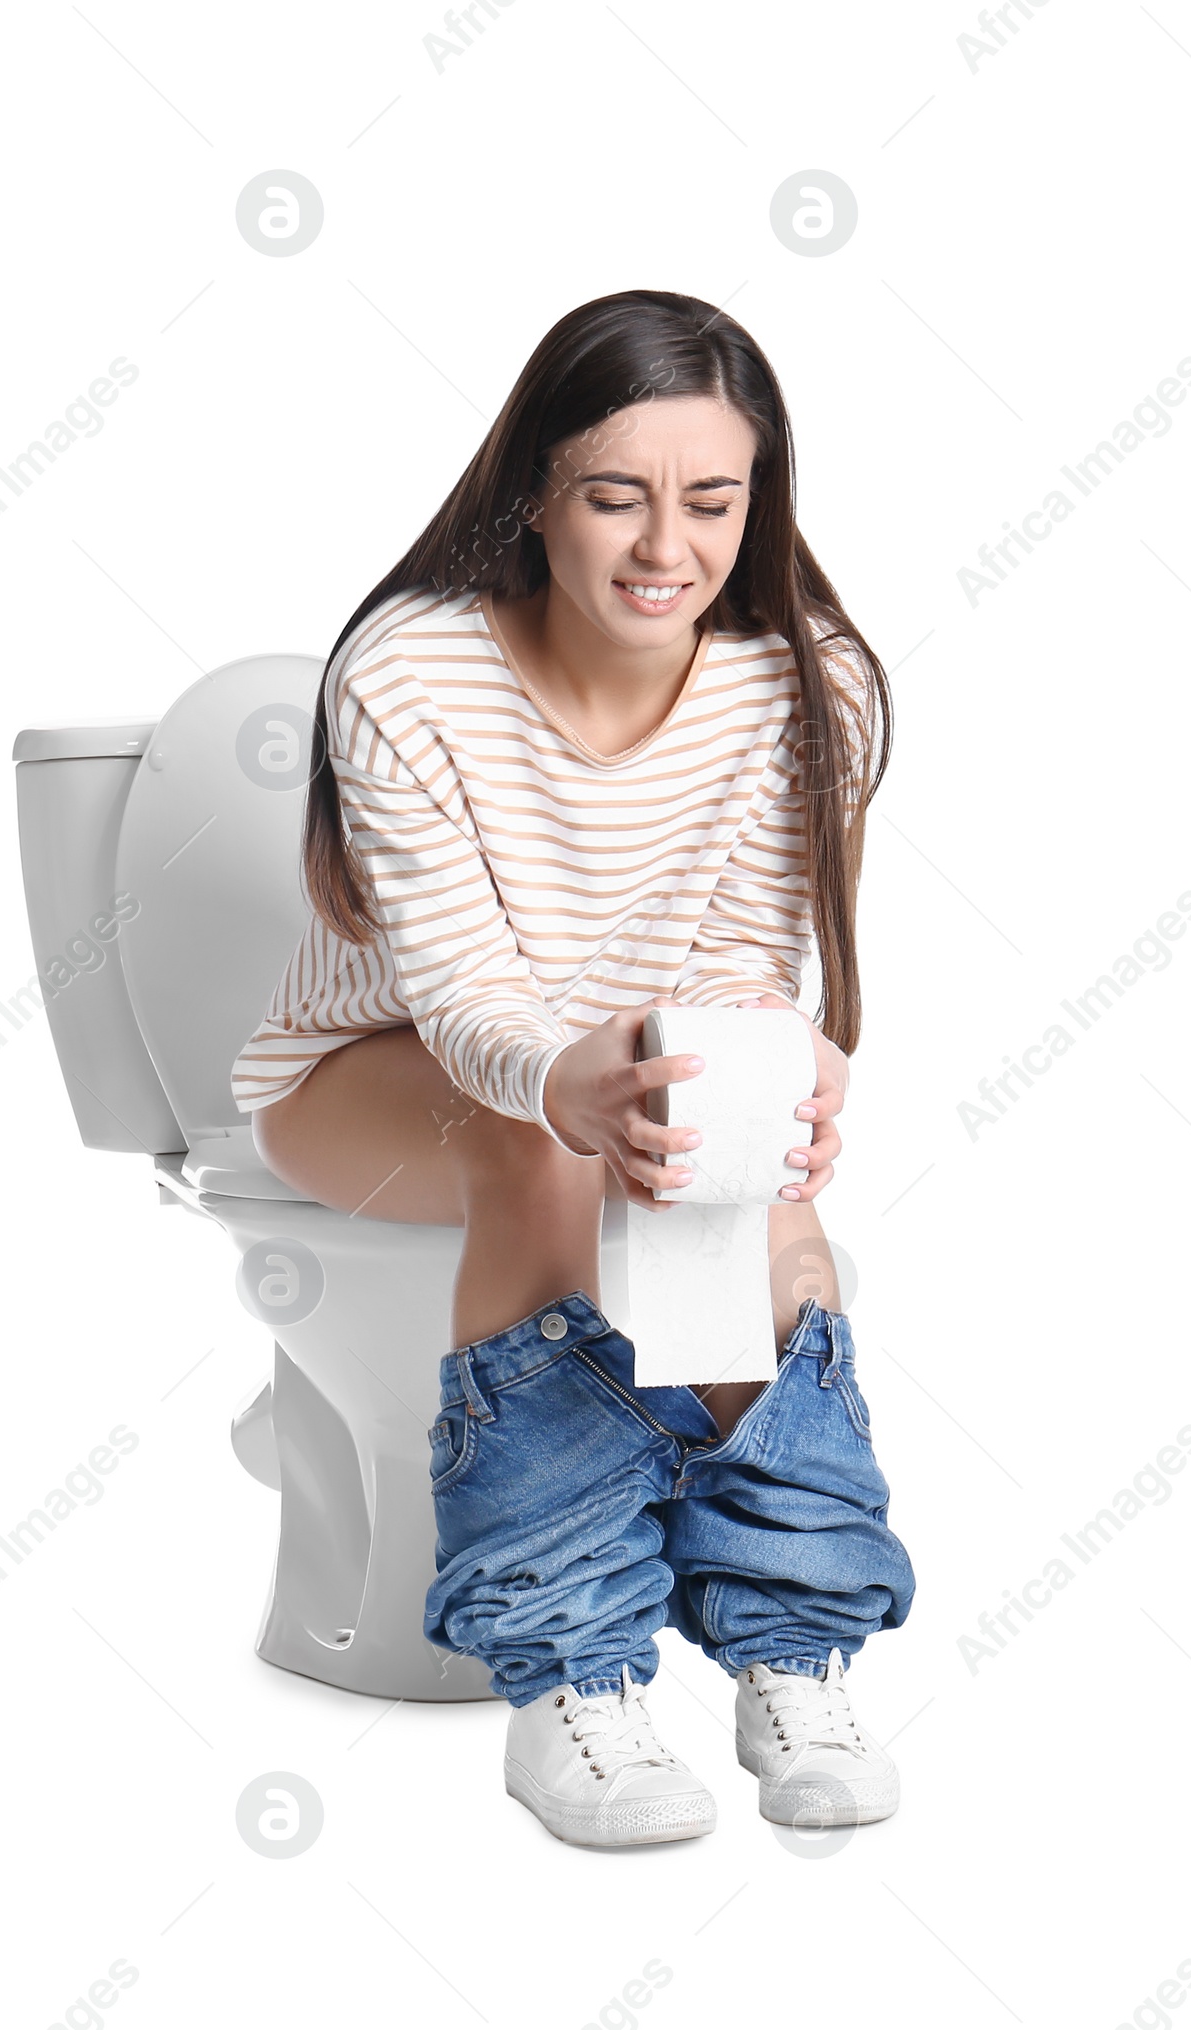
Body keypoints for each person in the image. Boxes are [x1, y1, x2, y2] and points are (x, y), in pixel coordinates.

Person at [232, 288, 915, 1848]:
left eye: (712, 499)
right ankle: (571, 1681)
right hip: (376, 1067)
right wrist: (572, 1088)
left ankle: (789, 1644)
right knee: (528, 1148)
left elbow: (749, 962)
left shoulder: (809, 689)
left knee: (769, 1210)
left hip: (633, 1063)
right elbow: (462, 993)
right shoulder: (410, 672)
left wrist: (772, 1067)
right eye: (616, 494)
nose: (663, 545)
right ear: (536, 488)